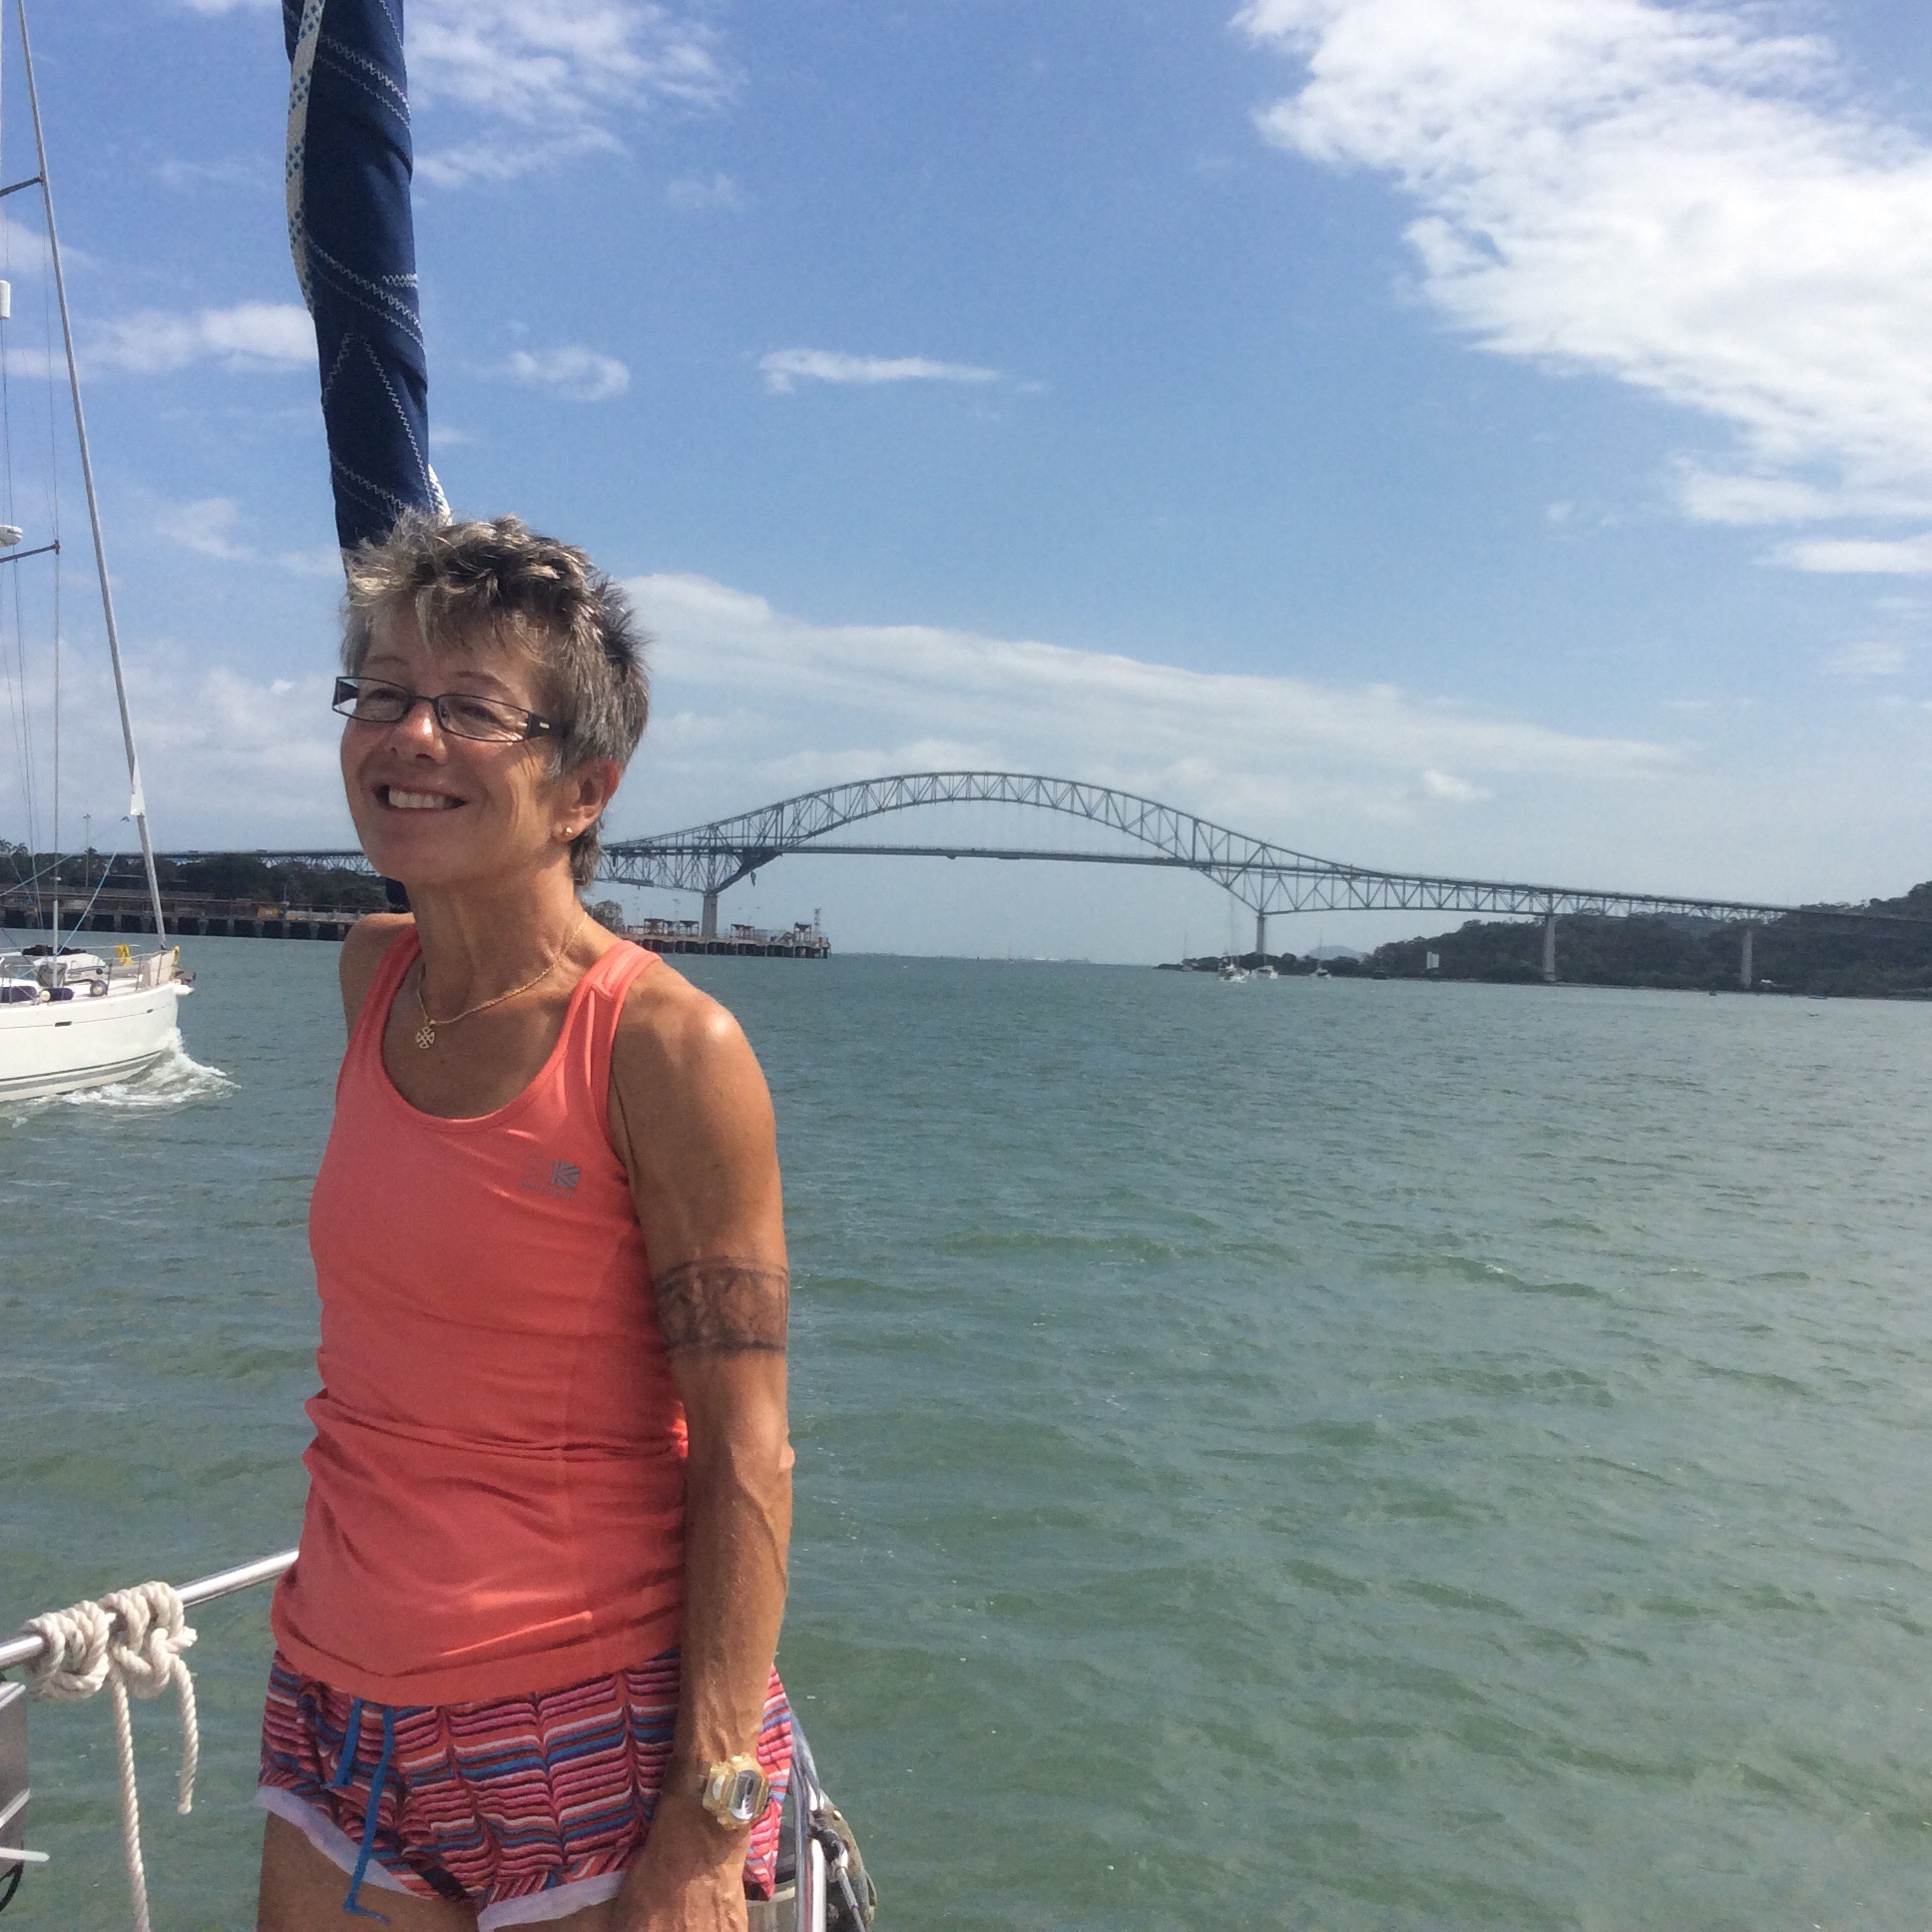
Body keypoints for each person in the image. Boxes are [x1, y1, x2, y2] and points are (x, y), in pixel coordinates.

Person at [255, 514, 794, 1932]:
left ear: (584, 789)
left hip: (591, 1734)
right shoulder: (373, 977)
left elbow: (746, 1446)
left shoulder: (668, 1049)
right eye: (381, 691)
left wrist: (710, 1820)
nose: (409, 734)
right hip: (336, 1716)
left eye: (471, 708)